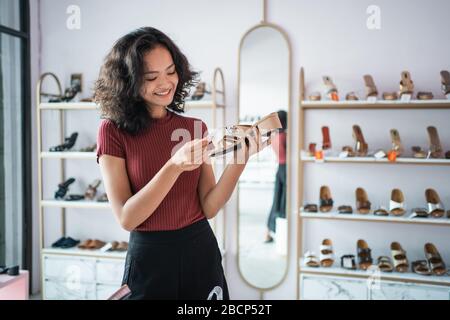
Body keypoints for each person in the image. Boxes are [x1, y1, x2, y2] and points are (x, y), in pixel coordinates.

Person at [94, 27, 268, 299]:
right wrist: (174, 166)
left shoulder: (195, 127)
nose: (165, 83)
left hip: (200, 249)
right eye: (151, 77)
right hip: (150, 257)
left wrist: (240, 159)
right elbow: (127, 218)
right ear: (128, 80)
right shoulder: (112, 131)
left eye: (171, 71)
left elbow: (209, 206)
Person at [265, 110, 287, 243]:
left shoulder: (274, 136)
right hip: (287, 169)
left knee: (276, 200)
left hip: (279, 168)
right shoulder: (284, 136)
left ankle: (268, 232)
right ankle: (282, 235)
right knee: (284, 202)